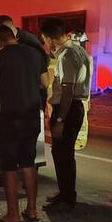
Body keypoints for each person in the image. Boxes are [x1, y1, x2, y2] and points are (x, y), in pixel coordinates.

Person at [0, 25, 49, 222]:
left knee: (9, 166)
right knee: (29, 163)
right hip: (30, 116)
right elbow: (45, 83)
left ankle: (13, 215)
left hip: (9, 119)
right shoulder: (34, 54)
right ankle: (32, 209)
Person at [41, 18, 92, 211]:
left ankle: (67, 198)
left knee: (62, 155)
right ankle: (65, 193)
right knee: (64, 154)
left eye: (45, 39)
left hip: (68, 108)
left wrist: (60, 120)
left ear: (50, 38)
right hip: (76, 106)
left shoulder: (65, 56)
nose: (46, 43)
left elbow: (68, 90)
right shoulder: (79, 50)